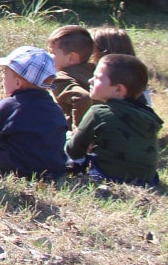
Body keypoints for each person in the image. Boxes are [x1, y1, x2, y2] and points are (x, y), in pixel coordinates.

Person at [0, 46, 68, 178]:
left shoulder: (10, 105)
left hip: (10, 169)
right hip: (52, 172)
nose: (2, 76)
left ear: (18, 82)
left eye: (5, 72)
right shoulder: (56, 109)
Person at [66, 53, 161, 186]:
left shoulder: (97, 112)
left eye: (97, 78)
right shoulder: (148, 116)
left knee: (65, 138)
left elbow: (74, 150)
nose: (90, 80)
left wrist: (72, 137)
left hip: (107, 176)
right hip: (147, 180)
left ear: (118, 89)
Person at [46, 25, 96, 127]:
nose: (47, 56)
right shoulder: (95, 72)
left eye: (51, 52)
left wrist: (78, 131)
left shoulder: (61, 78)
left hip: (78, 138)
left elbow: (83, 97)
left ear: (71, 58)